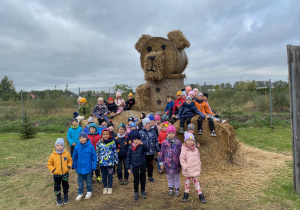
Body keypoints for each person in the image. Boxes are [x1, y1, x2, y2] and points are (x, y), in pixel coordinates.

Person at [180, 133, 207, 204]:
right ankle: (186, 194)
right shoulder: (184, 150)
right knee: (187, 183)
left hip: (194, 169)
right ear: (185, 141)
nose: (190, 141)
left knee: (196, 182)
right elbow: (182, 159)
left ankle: (200, 194)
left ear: (194, 141)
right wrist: (185, 167)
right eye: (188, 140)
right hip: (188, 170)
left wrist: (199, 165)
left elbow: (198, 158)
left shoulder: (196, 150)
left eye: (191, 140)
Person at [72, 132, 97, 201]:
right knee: (80, 182)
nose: (82, 139)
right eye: (80, 138)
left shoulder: (91, 146)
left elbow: (94, 157)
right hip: (80, 168)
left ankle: (89, 191)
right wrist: (74, 165)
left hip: (88, 168)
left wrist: (94, 165)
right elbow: (74, 157)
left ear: (86, 138)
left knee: (88, 181)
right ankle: (80, 193)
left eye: (83, 137)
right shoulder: (77, 147)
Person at [47, 138, 73, 206]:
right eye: (58, 145)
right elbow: (49, 164)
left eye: (61, 145)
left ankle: (65, 196)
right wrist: (53, 170)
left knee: (65, 185)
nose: (59, 146)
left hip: (65, 174)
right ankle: (58, 197)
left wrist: (68, 167)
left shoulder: (66, 154)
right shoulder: (52, 155)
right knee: (57, 187)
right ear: (55, 146)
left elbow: (70, 161)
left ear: (63, 146)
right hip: (56, 175)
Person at [126, 129, 150, 200]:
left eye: (137, 139)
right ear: (132, 140)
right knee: (136, 179)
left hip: (142, 164)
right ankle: (136, 192)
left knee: (143, 178)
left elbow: (147, 149)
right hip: (134, 165)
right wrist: (128, 167)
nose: (136, 141)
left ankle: (143, 191)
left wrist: (143, 144)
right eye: (134, 139)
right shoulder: (130, 147)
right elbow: (128, 158)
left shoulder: (141, 146)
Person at [159, 125, 182, 197]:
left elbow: (181, 153)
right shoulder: (164, 143)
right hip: (168, 163)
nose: (171, 134)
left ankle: (177, 188)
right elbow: (162, 153)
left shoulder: (178, 142)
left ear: (175, 133)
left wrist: (181, 163)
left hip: (176, 163)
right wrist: (161, 163)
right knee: (169, 177)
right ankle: (171, 188)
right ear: (167, 133)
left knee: (176, 176)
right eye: (169, 133)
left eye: (172, 133)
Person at [96, 129, 118, 195]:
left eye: (107, 134)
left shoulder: (112, 142)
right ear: (102, 135)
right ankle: (105, 187)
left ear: (109, 135)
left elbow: (115, 152)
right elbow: (97, 153)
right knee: (104, 175)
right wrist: (97, 162)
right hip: (102, 163)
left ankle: (110, 187)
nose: (105, 136)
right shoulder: (99, 143)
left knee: (110, 175)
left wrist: (116, 161)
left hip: (110, 163)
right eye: (104, 134)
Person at [139, 118, 160, 183]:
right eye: (146, 123)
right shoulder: (140, 132)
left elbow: (156, 141)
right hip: (144, 153)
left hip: (151, 152)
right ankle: (143, 177)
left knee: (150, 165)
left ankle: (150, 177)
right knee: (143, 166)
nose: (148, 125)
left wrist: (158, 150)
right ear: (143, 125)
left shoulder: (153, 132)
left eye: (148, 123)